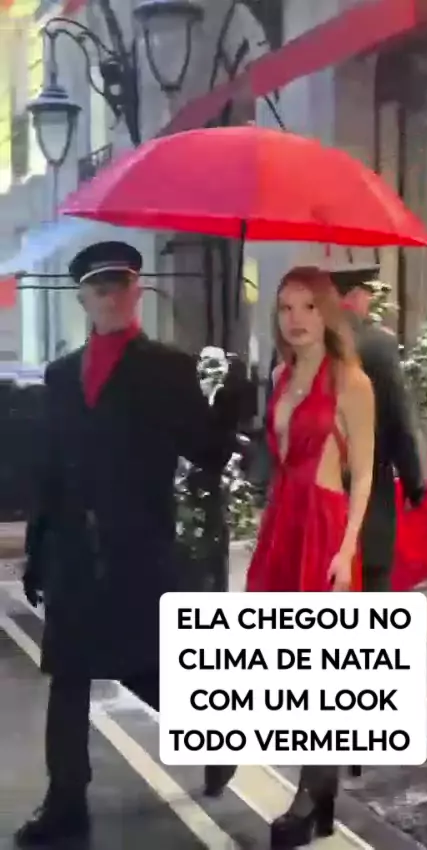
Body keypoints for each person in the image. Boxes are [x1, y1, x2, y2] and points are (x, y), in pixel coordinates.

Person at [17, 241, 248, 847]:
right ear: (82, 298)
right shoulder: (61, 375)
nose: (110, 296)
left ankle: (216, 736)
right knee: (68, 678)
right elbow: (50, 468)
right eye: (99, 287)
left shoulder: (169, 368)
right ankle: (65, 802)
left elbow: (206, 453)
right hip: (72, 553)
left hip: (138, 550)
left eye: (120, 284)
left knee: (148, 671)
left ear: (136, 290)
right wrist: (38, 551)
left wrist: (231, 404)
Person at [205, 265, 375, 847]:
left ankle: (311, 793)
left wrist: (347, 548)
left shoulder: (351, 381)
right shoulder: (279, 375)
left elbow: (364, 474)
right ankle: (318, 791)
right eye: (285, 308)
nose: (296, 319)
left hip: (325, 527)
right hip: (283, 521)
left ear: (327, 312)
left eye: (307, 307)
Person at [331, 264, 425, 591]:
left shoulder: (301, 343)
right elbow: (398, 417)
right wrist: (414, 483)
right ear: (355, 296)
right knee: (372, 580)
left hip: (315, 491)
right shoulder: (377, 345)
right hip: (369, 483)